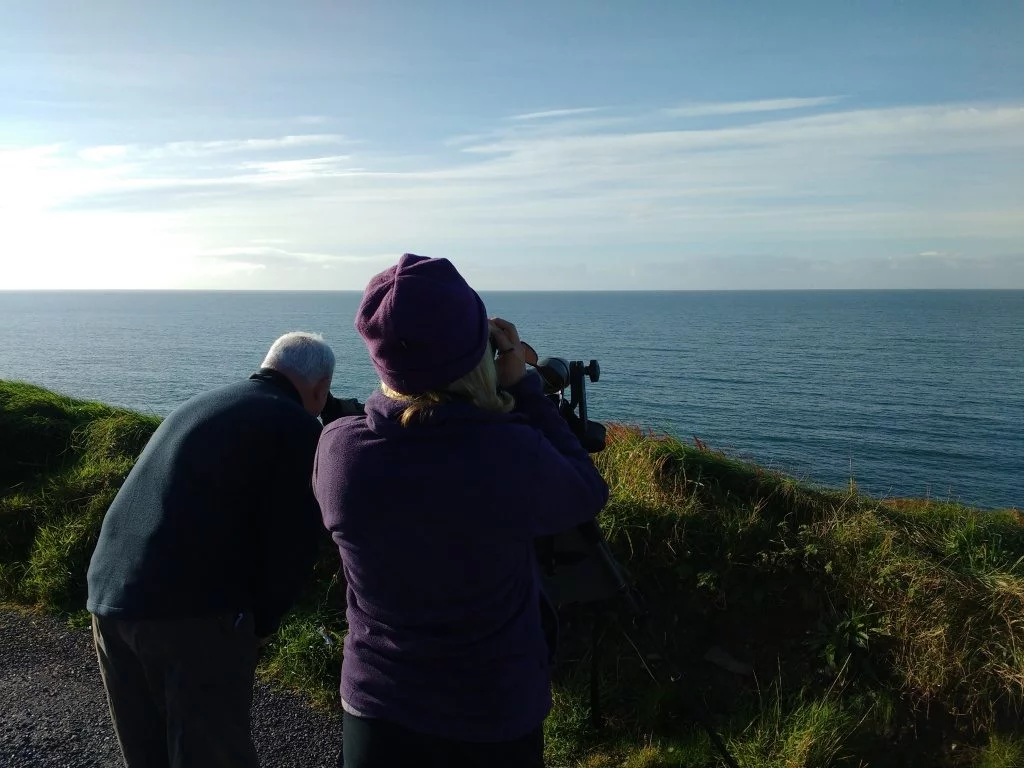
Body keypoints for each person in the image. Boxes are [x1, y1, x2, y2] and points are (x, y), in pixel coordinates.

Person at [314, 254, 609, 768]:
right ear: (480, 352)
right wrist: (523, 388)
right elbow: (585, 490)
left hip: (375, 709)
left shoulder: (339, 452)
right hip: (490, 713)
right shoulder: (507, 454)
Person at [87, 331, 337, 768]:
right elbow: (292, 541)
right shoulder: (295, 426)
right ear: (319, 387)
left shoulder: (201, 405)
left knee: (148, 753)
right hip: (191, 612)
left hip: (109, 594)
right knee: (210, 753)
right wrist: (262, 622)